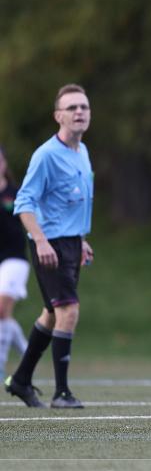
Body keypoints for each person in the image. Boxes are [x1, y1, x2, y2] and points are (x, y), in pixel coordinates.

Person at [4, 84, 94, 409]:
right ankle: (62, 393)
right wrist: (41, 241)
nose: (79, 112)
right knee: (69, 310)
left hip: (70, 242)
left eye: (83, 107)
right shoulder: (46, 155)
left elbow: (72, 203)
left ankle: (20, 380)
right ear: (58, 116)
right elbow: (23, 203)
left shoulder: (82, 151)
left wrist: (81, 240)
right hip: (49, 244)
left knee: (52, 314)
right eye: (71, 108)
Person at [0, 146, 29, 378]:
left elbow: (31, 219)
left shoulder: (15, 193)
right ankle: (29, 355)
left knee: (1, 309)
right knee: (4, 316)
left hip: (15, 259)